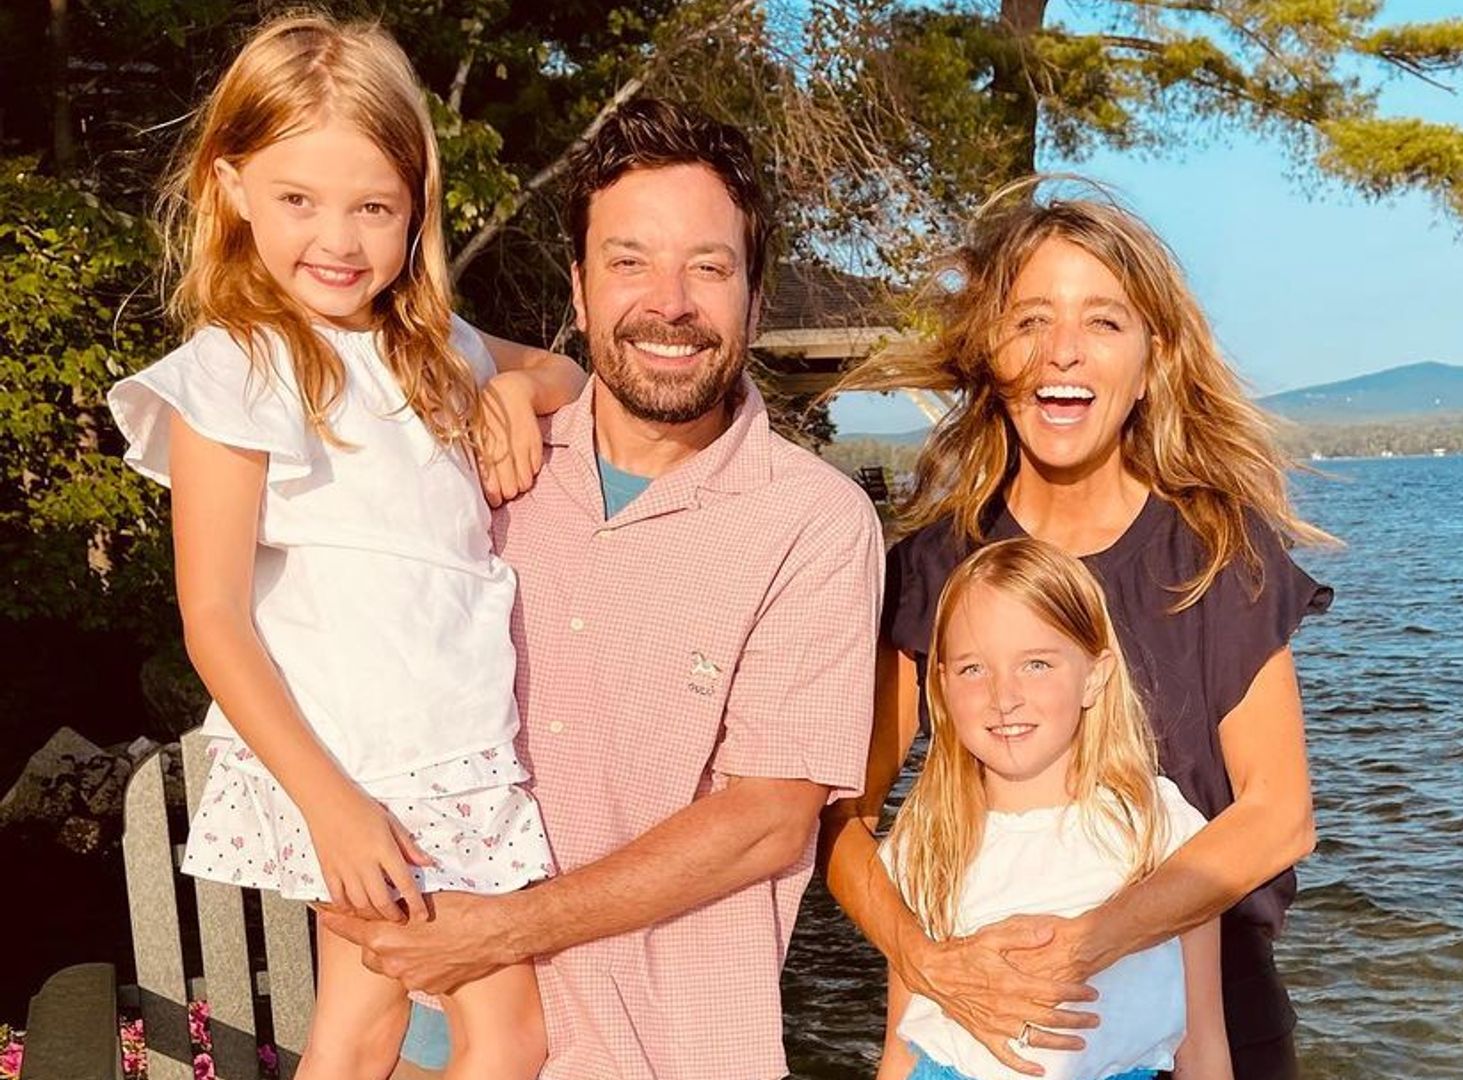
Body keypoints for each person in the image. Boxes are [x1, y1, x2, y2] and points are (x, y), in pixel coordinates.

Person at [319, 98, 886, 1080]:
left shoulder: (819, 526)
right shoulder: (476, 470)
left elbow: (769, 818)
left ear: (754, 300)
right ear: (578, 292)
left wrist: (502, 932)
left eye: (707, 267)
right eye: (629, 262)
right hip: (430, 1034)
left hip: (661, 1052)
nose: (668, 302)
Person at [106, 14, 586, 1080]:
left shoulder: (438, 348)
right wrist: (335, 807)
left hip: (452, 747)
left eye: (373, 206)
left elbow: (570, 380)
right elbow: (213, 615)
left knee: (361, 1029)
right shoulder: (234, 366)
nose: (338, 239)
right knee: (510, 1036)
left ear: (416, 204)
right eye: (298, 200)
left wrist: (514, 387)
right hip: (354, 766)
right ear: (231, 185)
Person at [825, 182, 1334, 1079]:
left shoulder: (1220, 552)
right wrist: (926, 958)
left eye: (1104, 322)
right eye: (1029, 321)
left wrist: (1089, 945)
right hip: (985, 1038)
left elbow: (1278, 816)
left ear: (1153, 361)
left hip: (1209, 1030)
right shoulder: (936, 564)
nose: (1062, 351)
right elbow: (843, 812)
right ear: (990, 349)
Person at [874, 538, 1229, 1080]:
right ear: (941, 685)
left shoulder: (1157, 828)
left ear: (1094, 674)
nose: (1003, 695)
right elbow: (901, 1044)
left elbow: (1202, 1044)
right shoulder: (927, 837)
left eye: (1036, 664)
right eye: (972, 669)